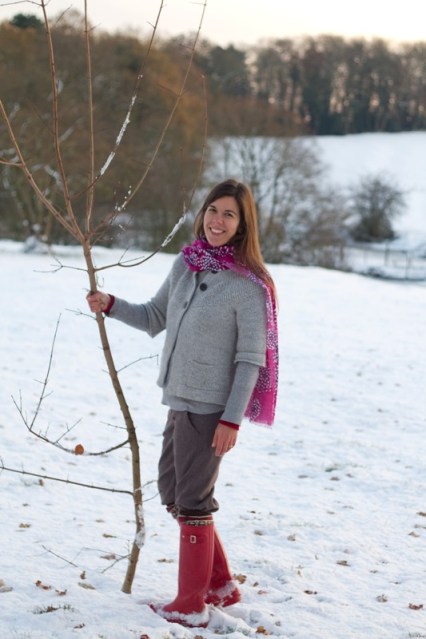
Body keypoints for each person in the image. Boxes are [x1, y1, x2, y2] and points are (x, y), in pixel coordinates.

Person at [87, 178, 279, 628]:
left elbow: (250, 360)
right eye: (213, 210)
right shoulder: (187, 264)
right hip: (179, 398)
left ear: (243, 225)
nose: (217, 221)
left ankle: (191, 604)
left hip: (212, 409)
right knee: (173, 491)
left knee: (193, 500)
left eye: (229, 215)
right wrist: (111, 304)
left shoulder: (248, 286)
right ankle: (220, 584)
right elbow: (155, 316)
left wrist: (231, 420)